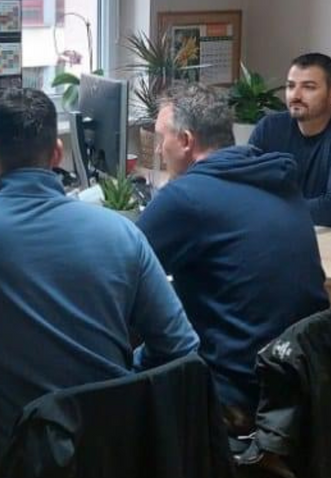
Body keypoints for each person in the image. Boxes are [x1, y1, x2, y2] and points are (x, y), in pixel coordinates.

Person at [0, 87, 199, 475]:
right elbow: (181, 346)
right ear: (55, 155)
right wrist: (119, 385)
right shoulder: (120, 231)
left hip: (18, 453)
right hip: (114, 450)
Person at [136, 83, 329, 427]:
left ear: (185, 141)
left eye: (161, 137)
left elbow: (121, 275)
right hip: (298, 378)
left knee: (118, 359)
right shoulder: (277, 178)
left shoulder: (186, 197)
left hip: (234, 389)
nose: (160, 148)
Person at [249, 52, 331, 225]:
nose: (296, 95)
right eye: (291, 86)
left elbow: (328, 209)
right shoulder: (269, 127)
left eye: (309, 87)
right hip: (274, 232)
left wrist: (271, 209)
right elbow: (244, 187)